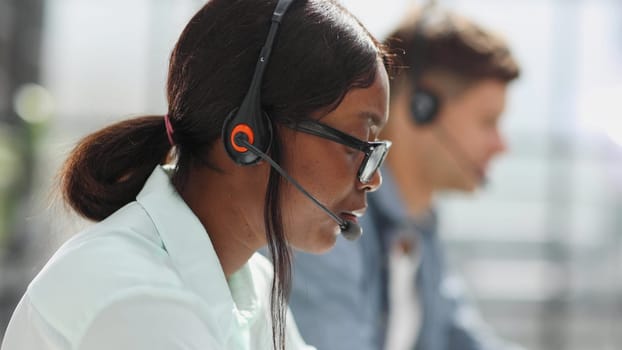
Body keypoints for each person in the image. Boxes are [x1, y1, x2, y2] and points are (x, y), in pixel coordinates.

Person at [0, 0, 393, 349]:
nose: (372, 177)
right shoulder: (136, 300)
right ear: (248, 136)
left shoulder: (249, 282)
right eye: (359, 142)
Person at [288, 5, 522, 350]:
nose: (502, 145)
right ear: (420, 108)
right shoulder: (329, 226)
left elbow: (459, 337)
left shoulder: (419, 224)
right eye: (488, 121)